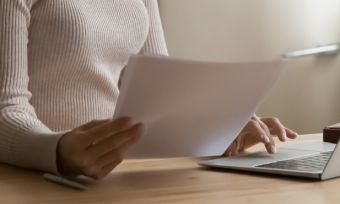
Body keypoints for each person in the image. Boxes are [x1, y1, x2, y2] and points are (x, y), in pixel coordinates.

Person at [0, 0, 298, 180]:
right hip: (38, 180)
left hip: (115, 178)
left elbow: (164, 92)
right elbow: (5, 110)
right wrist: (59, 152)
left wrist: (219, 127)